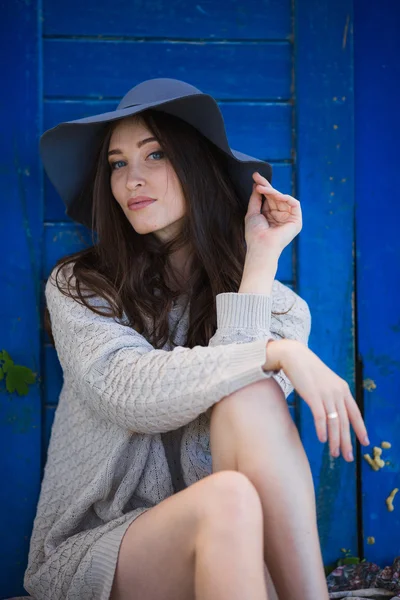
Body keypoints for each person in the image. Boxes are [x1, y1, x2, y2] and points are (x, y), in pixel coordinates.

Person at [24, 78, 370, 600]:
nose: (131, 180)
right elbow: (130, 393)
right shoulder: (80, 286)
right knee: (226, 493)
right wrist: (276, 353)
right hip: (105, 550)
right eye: (118, 163)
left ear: (196, 166)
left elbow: (232, 409)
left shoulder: (281, 306)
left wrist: (258, 262)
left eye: (155, 155)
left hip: (237, 542)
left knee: (247, 404)